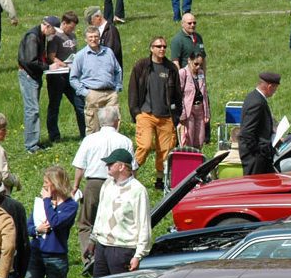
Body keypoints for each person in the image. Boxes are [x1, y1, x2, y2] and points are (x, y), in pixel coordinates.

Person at [71, 106, 137, 257]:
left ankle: (88, 256)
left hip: (94, 184)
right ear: (116, 122)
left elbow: (80, 166)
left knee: (87, 223)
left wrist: (75, 186)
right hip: (118, 183)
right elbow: (132, 167)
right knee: (116, 219)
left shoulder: (89, 140)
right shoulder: (125, 141)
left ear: (99, 122)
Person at [128, 35, 183, 190]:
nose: (162, 49)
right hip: (146, 114)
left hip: (166, 117)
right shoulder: (141, 66)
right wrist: (136, 112)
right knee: (144, 146)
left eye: (164, 46)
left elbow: (178, 94)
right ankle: (130, 173)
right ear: (151, 48)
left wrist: (177, 116)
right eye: (158, 46)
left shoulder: (171, 68)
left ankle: (160, 180)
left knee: (164, 151)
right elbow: (132, 90)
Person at [20, 166, 77, 278]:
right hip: (36, 255)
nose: (44, 185)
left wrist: (47, 201)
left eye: (47, 182)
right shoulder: (41, 203)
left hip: (56, 258)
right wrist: (36, 230)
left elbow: (56, 222)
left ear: (56, 183)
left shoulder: (70, 206)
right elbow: (27, 227)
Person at [89, 149, 150, 277]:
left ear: (122, 167)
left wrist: (138, 255)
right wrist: (93, 240)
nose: (107, 166)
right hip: (102, 246)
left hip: (123, 249)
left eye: (111, 164)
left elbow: (143, 224)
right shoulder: (107, 184)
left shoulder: (138, 190)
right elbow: (100, 214)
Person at [16, 16, 61, 153]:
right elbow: (31, 61)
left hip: (34, 76)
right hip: (28, 76)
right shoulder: (33, 37)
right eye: (53, 30)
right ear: (47, 26)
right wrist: (48, 68)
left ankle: (34, 142)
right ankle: (31, 145)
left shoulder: (40, 35)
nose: (53, 34)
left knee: (33, 109)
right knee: (32, 110)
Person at [69, 25, 123, 133]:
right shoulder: (81, 56)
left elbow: (118, 70)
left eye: (96, 37)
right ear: (86, 39)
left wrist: (117, 87)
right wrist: (86, 93)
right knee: (93, 128)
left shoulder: (108, 52)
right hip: (93, 94)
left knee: (113, 126)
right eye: (91, 37)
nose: (94, 39)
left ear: (99, 37)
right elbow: (73, 78)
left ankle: (112, 149)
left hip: (110, 94)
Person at [45, 11, 86, 142]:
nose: (73, 29)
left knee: (79, 103)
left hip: (71, 75)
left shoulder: (73, 36)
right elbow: (51, 56)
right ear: (64, 23)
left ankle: (84, 133)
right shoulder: (55, 37)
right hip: (57, 76)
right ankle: (54, 136)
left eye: (74, 27)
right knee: (54, 106)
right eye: (71, 26)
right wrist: (63, 64)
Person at [239, 71, 280, 175]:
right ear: (270, 86)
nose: (275, 92)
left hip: (259, 155)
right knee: (254, 187)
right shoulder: (257, 102)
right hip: (255, 157)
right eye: (275, 88)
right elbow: (247, 132)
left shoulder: (254, 97)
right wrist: (258, 152)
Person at [177, 51, 210, 149]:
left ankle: (198, 160)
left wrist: (207, 113)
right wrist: (182, 114)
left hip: (200, 109)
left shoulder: (201, 73)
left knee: (200, 139)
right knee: (189, 138)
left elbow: (204, 93)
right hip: (188, 110)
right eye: (196, 64)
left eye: (200, 64)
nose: (198, 67)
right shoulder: (183, 73)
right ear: (189, 60)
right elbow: (179, 95)